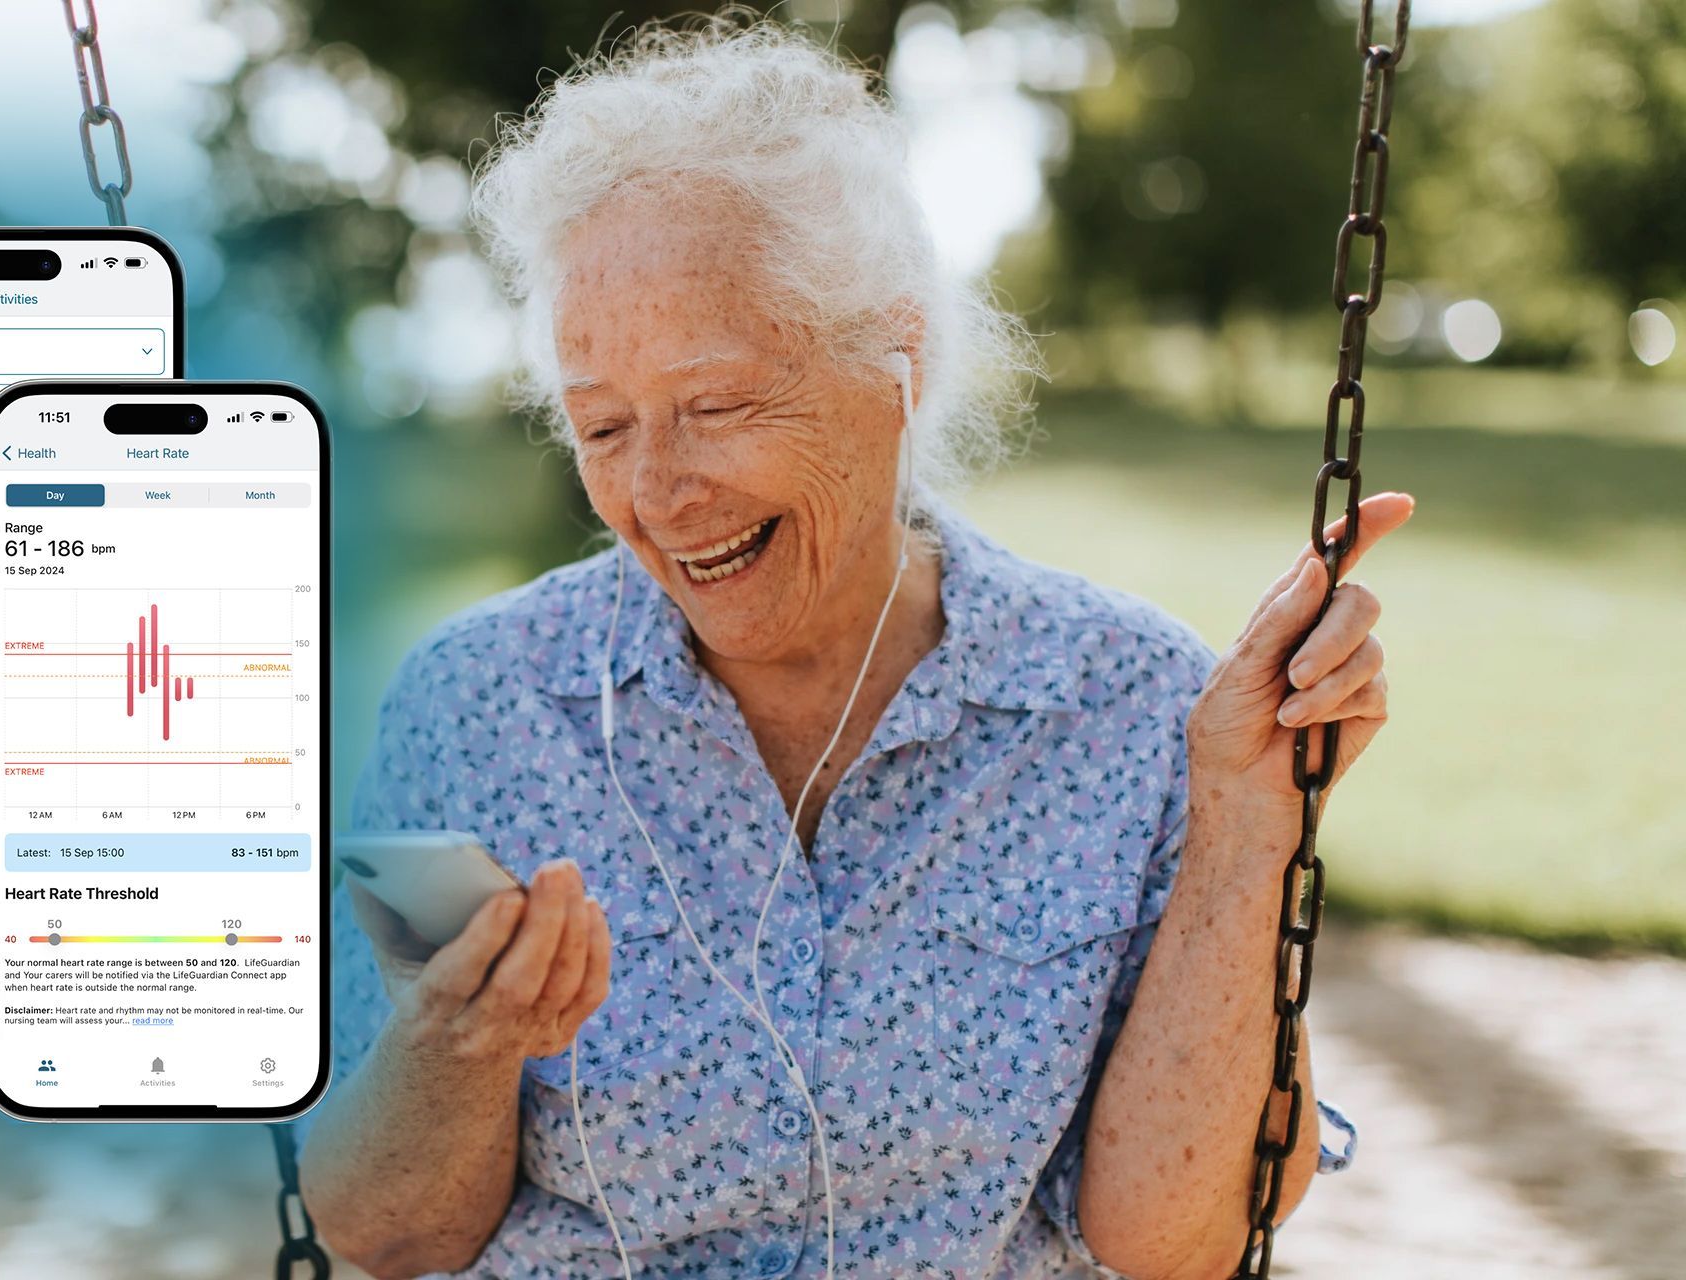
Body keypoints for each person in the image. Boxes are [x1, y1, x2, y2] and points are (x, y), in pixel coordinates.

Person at [297, 18, 1405, 1279]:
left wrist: (1250, 822)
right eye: (602, 428)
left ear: (899, 360)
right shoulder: (476, 701)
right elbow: (383, 1230)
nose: (660, 491)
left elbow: (1174, 1242)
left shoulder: (1129, 699)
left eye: (715, 406)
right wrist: (462, 1045)